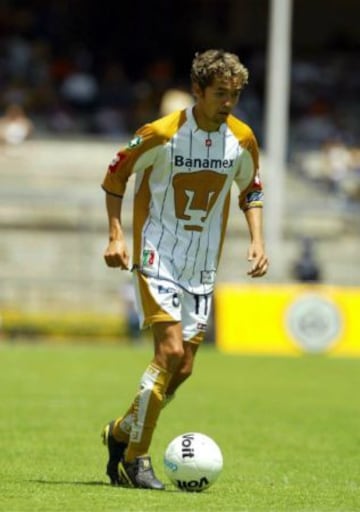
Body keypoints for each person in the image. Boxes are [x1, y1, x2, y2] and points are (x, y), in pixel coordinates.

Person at [101, 49, 269, 490]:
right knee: (169, 353)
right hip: (158, 254)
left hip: (202, 265)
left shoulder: (242, 138)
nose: (228, 102)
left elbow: (250, 188)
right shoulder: (160, 133)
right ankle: (135, 460)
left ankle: (120, 433)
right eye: (220, 93)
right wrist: (116, 235)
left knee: (185, 367)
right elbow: (116, 176)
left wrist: (257, 240)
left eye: (234, 94)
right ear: (197, 90)